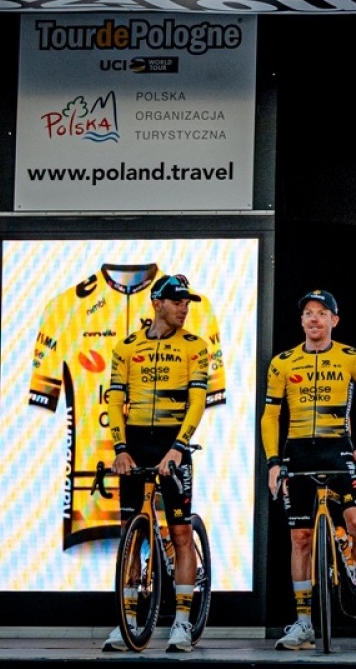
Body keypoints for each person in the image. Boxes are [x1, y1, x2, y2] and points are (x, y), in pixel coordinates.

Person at [263, 289, 356, 650]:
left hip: (338, 450)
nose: (314, 318)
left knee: (355, 521)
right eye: (308, 313)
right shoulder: (283, 362)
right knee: (300, 538)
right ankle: (303, 623)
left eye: (322, 313)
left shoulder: (351, 357)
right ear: (301, 321)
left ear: (334, 320)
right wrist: (273, 462)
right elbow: (271, 415)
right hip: (298, 453)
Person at [101, 273, 212, 654]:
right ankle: (129, 620)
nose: (184, 308)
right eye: (177, 302)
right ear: (157, 303)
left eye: (187, 303)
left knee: (180, 532)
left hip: (173, 444)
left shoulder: (195, 347)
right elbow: (115, 400)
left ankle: (181, 621)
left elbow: (197, 401)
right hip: (135, 444)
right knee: (130, 536)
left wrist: (178, 447)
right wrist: (120, 449)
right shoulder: (126, 347)